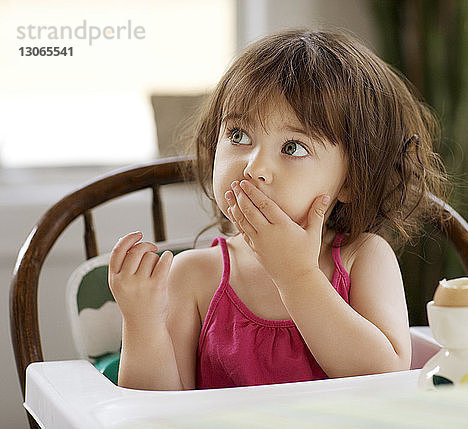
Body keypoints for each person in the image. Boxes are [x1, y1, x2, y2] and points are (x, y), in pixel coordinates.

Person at [108, 29, 448, 391]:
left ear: (351, 179)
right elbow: (154, 411)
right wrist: (142, 322)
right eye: (239, 135)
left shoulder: (362, 258)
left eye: (293, 147)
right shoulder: (193, 275)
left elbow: (386, 377)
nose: (255, 167)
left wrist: (296, 276)